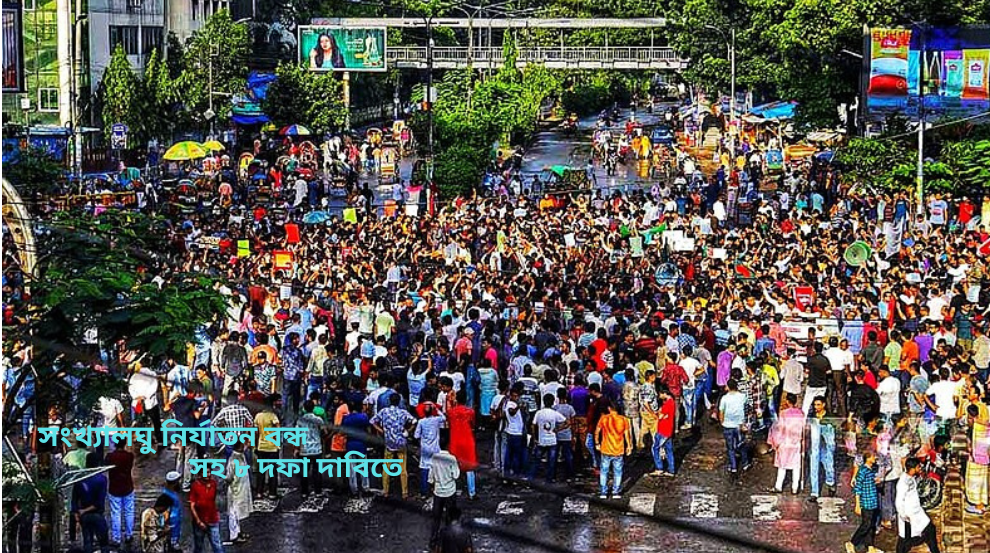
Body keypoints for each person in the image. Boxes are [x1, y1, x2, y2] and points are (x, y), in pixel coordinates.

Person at [371, 392, 417, 499]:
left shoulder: (384, 411)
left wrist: (382, 431)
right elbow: (414, 421)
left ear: (389, 401)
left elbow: (372, 421)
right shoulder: (403, 412)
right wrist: (407, 431)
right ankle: (404, 492)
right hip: (401, 442)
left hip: (389, 442)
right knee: (403, 468)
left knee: (386, 467)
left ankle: (386, 491)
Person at [895, 457, 941, 553]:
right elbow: (899, 501)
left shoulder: (911, 477)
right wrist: (903, 515)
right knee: (904, 540)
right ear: (913, 468)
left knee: (930, 529)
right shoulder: (903, 483)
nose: (920, 468)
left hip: (918, 512)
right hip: (908, 515)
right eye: (918, 467)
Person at [595, 400, 632, 499]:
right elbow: (627, 435)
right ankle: (616, 492)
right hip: (618, 450)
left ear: (609, 408)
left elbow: (597, 432)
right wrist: (629, 446)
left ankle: (603, 491)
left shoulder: (603, 418)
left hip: (606, 449)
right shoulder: (624, 420)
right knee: (618, 472)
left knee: (604, 471)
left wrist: (597, 443)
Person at [429, 433, 460, 549]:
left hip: (438, 492)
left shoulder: (434, 458)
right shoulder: (451, 459)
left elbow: (431, 476)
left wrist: (432, 483)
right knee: (450, 518)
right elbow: (456, 475)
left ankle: (433, 541)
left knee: (436, 519)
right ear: (448, 446)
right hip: (449, 491)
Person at [768, 393, 804, 494]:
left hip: (785, 442)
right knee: (796, 466)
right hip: (796, 443)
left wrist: (776, 443)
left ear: (787, 401)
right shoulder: (801, 413)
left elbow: (780, 429)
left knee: (782, 465)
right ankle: (795, 488)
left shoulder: (783, 413)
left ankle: (778, 486)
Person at [75, 452, 110, 553]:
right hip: (97, 514)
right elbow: (99, 502)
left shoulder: (79, 479)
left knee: (87, 542)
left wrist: (78, 513)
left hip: (84, 516)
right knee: (104, 543)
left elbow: (74, 499)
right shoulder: (102, 480)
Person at [447, 390, 479, 498]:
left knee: (454, 466)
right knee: (469, 467)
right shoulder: (470, 412)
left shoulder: (451, 412)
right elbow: (473, 424)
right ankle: (472, 492)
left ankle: (453, 490)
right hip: (467, 440)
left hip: (455, 440)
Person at [530, 392, 567, 483]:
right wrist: (558, 429)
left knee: (536, 460)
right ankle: (549, 479)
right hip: (552, 440)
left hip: (541, 440)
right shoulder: (554, 413)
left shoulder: (539, 413)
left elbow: (533, 425)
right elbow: (567, 422)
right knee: (551, 461)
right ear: (553, 402)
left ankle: (531, 477)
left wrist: (535, 437)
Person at [848, 450, 880, 553]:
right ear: (868, 458)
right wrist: (858, 504)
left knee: (871, 525)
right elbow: (858, 488)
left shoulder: (872, 470)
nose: (875, 458)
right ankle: (852, 542)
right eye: (873, 456)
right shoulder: (862, 471)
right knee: (866, 525)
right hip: (866, 503)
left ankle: (870, 547)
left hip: (873, 502)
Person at [105, 439, 136, 546]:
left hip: (114, 488)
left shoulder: (110, 457)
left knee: (115, 513)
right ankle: (129, 535)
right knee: (129, 511)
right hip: (128, 486)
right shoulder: (130, 456)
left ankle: (116, 538)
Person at [719, 378, 750, 474]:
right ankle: (745, 463)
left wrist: (722, 422)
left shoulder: (724, 398)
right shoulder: (742, 396)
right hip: (739, 425)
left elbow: (721, 412)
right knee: (741, 444)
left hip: (728, 425)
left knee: (730, 447)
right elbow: (747, 407)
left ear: (728, 387)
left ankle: (733, 466)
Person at [253, 394, 281, 500]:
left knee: (261, 471)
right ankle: (272, 493)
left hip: (261, 446)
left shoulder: (258, 416)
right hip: (272, 447)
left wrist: (255, 445)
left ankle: (259, 492)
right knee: (272, 470)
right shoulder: (273, 416)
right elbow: (278, 430)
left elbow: (256, 432)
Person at [189, 470, 224, 553]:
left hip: (213, 519)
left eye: (209, 472)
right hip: (200, 521)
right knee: (199, 546)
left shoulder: (213, 484)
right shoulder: (195, 486)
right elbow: (192, 505)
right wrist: (198, 521)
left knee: (217, 545)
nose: (208, 475)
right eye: (205, 472)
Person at [225, 442, 253, 544]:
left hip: (241, 489)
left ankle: (238, 532)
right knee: (233, 513)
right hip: (235, 490)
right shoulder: (233, 460)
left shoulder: (240, 455)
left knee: (238, 512)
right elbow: (229, 477)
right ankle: (234, 536)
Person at [650, 386, 676, 477]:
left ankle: (659, 468)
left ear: (664, 393)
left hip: (663, 430)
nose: (659, 396)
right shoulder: (672, 402)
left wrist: (656, 413)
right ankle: (671, 470)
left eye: (660, 394)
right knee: (669, 450)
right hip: (668, 430)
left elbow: (660, 416)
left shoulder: (667, 405)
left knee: (655, 448)